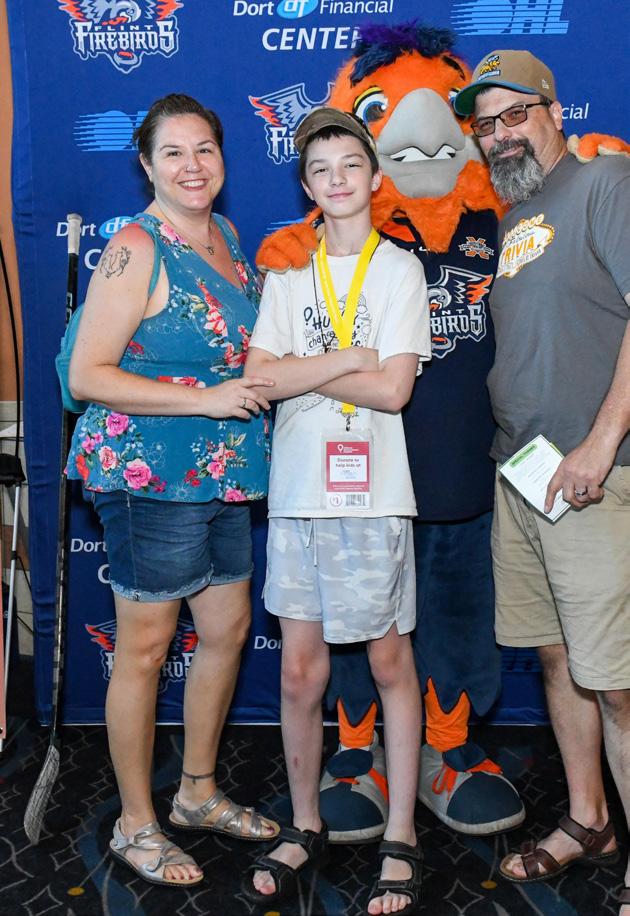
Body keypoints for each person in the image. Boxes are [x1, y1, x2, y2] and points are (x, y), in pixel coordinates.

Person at [66, 93, 280, 888]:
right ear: (147, 165)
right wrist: (204, 400)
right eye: (174, 153)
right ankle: (135, 823)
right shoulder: (135, 246)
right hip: (148, 473)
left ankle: (195, 792)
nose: (193, 166)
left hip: (223, 470)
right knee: (148, 648)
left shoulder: (226, 236)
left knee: (226, 627)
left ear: (223, 158)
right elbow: (89, 375)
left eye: (205, 150)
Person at [241, 108, 431, 915]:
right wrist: (350, 354)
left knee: (389, 662)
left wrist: (307, 366)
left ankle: (402, 834)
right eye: (320, 169)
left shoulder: (400, 271)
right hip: (298, 493)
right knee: (298, 670)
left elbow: (393, 390)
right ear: (307, 187)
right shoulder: (288, 274)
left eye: (350, 163)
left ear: (375, 175)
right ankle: (305, 823)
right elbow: (258, 378)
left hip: (374, 493)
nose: (338, 179)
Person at [454, 51, 630, 911]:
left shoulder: (605, 185)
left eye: (514, 114)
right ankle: (590, 820)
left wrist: (600, 442)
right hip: (523, 479)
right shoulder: (517, 213)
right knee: (561, 660)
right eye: (484, 124)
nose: (499, 134)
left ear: (555, 111)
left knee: (619, 683)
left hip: (597, 480)